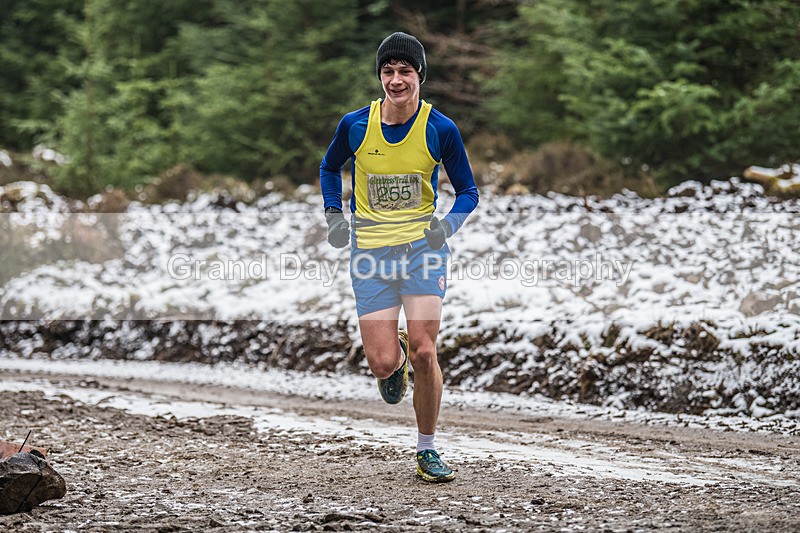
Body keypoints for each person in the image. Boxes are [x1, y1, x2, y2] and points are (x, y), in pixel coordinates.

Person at [319, 32, 479, 483]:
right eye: (388, 72)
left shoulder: (440, 129)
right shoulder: (355, 125)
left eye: (404, 71)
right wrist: (334, 214)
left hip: (422, 252)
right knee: (384, 366)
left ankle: (427, 449)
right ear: (380, 77)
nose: (395, 80)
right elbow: (329, 167)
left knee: (427, 350)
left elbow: (469, 192)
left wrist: (445, 227)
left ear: (419, 76)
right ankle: (397, 360)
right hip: (370, 254)